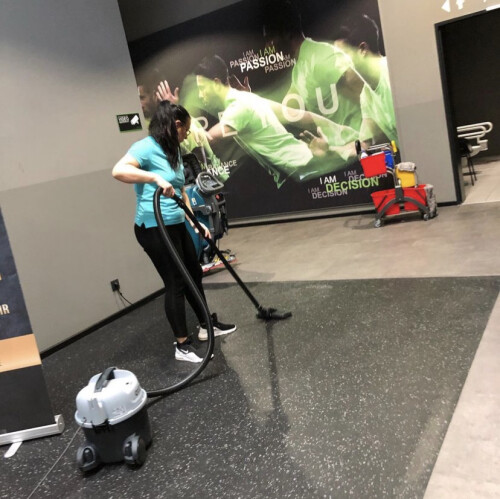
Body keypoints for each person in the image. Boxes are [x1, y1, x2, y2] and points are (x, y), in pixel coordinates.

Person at [112, 101, 236, 363]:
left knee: (194, 273)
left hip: (177, 223)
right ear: (176, 125)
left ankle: (205, 325)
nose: (187, 135)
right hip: (153, 227)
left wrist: (195, 221)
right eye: (186, 130)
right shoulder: (145, 148)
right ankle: (182, 345)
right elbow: (119, 171)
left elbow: (180, 190)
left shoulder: (174, 151)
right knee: (176, 282)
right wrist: (154, 178)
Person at [194, 55, 358, 186]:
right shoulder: (246, 99)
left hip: (300, 169)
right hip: (300, 164)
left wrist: (182, 119)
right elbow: (297, 115)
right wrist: (344, 132)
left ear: (216, 83)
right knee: (352, 151)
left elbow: (208, 138)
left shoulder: (238, 106)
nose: (200, 95)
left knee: (355, 151)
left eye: (202, 88)